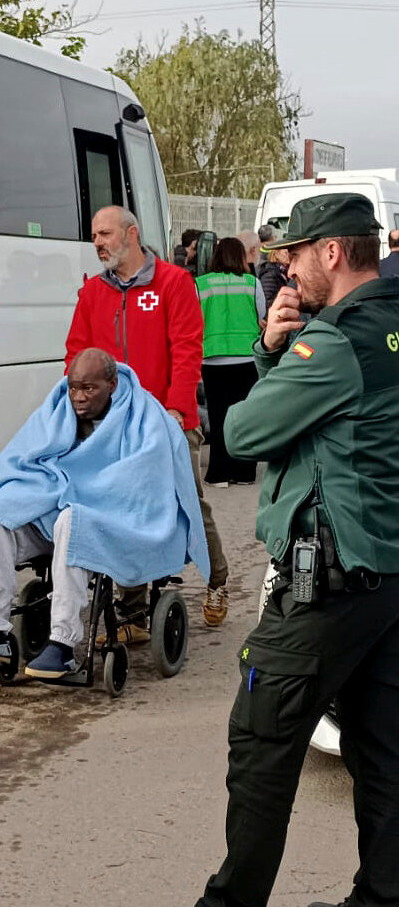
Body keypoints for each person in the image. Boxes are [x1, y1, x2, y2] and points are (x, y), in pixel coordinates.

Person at [193, 193, 399, 907]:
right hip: (388, 582)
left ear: (334, 253)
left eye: (295, 255)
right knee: (385, 758)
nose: (284, 270)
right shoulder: (390, 325)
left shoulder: (332, 345)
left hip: (329, 586)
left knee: (261, 745)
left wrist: (271, 351)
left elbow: (243, 435)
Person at [0, 349, 208, 679]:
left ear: (111, 384)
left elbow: (140, 484)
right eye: (73, 388)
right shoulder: (57, 408)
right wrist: (51, 488)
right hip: (55, 512)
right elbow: (24, 458)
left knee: (74, 519)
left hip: (114, 520)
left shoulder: (145, 418)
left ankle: (63, 646)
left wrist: (80, 493)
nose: (79, 398)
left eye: (89, 389)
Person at [65, 204, 230, 628]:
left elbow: (188, 347)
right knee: (121, 505)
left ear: (131, 234)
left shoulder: (173, 283)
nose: (97, 243)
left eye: (104, 234)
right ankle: (134, 607)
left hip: (166, 417)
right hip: (111, 424)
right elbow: (76, 353)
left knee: (188, 498)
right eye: (94, 236)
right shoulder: (93, 292)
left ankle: (217, 578)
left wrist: (176, 409)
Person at [197, 237, 266, 487]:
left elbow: (195, 320)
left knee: (218, 417)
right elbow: (262, 317)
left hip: (213, 358)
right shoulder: (252, 283)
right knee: (244, 417)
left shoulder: (201, 284)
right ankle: (245, 472)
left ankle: (219, 473)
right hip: (247, 357)